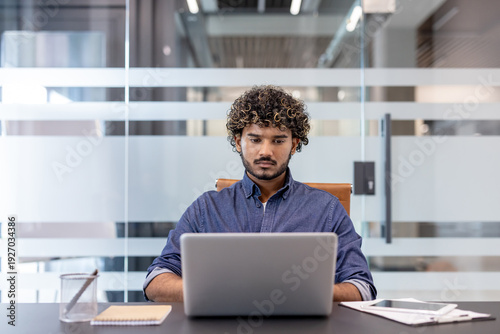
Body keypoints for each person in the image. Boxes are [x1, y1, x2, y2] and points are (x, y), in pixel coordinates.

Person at [144, 85, 376, 302]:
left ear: (294, 144)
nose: (266, 151)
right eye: (255, 139)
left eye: (278, 140)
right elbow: (156, 280)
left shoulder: (327, 209)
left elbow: (362, 287)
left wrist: (297, 294)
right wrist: (216, 293)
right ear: (238, 142)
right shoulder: (207, 209)